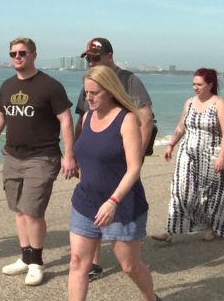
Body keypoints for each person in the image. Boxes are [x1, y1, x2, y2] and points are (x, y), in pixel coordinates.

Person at [0, 37, 77, 286]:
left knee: (33, 210)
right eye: (13, 53)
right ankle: (24, 257)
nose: (17, 56)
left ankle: (36, 262)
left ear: (34, 54)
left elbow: (66, 120)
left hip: (42, 157)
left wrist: (69, 155)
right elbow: (0, 116)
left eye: (22, 52)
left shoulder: (50, 86)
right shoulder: (7, 85)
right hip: (12, 155)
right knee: (18, 210)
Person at [68, 65, 161, 301]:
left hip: (121, 204)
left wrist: (113, 201)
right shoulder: (88, 117)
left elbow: (134, 167)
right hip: (86, 201)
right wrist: (71, 160)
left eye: (94, 93)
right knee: (78, 262)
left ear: (109, 91)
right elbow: (86, 150)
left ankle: (151, 297)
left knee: (129, 266)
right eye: (86, 92)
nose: (88, 97)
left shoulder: (126, 119)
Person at [75, 37, 154, 281]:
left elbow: (145, 118)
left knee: (128, 258)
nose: (91, 61)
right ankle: (94, 262)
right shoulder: (91, 83)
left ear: (110, 55)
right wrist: (76, 152)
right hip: (94, 157)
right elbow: (83, 118)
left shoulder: (129, 80)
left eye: (96, 57)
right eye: (88, 58)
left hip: (121, 156)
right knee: (92, 204)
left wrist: (134, 156)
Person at [151, 68, 224, 243]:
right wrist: (171, 145)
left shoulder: (219, 103)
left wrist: (222, 156)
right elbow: (181, 126)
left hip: (212, 155)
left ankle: (212, 226)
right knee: (180, 190)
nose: (195, 87)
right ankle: (170, 230)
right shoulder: (189, 103)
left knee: (210, 194)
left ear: (210, 85)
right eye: (193, 84)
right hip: (187, 153)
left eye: (199, 84)